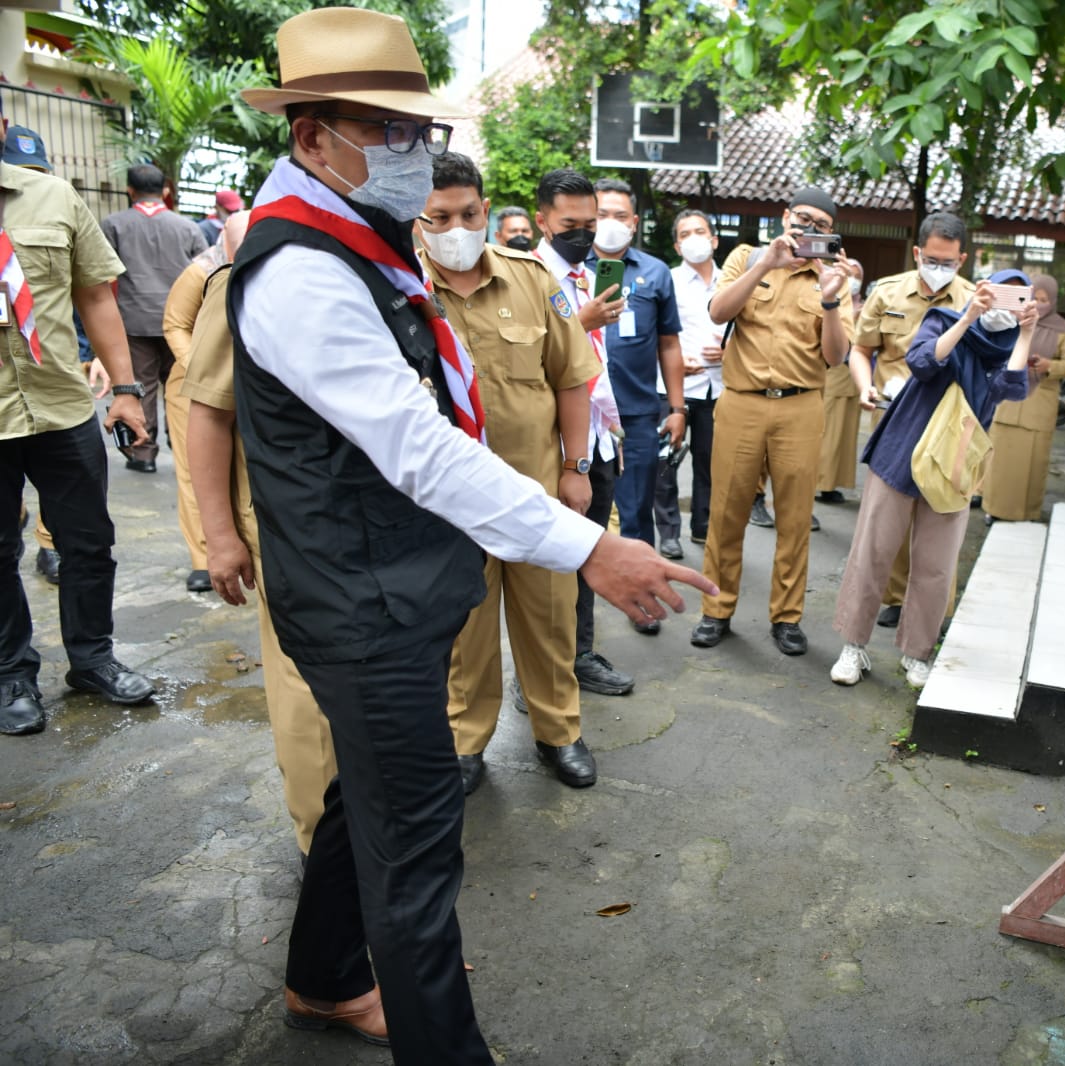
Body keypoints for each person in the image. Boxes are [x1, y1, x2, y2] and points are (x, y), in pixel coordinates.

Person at [227, 10, 713, 1060]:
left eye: (417, 130)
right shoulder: (305, 272)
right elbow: (419, 449)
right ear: (314, 138)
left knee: (371, 797)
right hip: (363, 603)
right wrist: (592, 545)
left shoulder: (360, 247)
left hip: (387, 584)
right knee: (414, 854)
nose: (410, 153)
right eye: (386, 132)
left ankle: (321, 979)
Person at [416, 152, 601, 795]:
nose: (456, 228)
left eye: (468, 213)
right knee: (465, 629)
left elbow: (573, 379)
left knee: (551, 614)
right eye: (439, 217)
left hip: (539, 488)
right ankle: (467, 743)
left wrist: (577, 468)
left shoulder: (532, 279)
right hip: (452, 502)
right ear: (418, 217)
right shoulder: (400, 289)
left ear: (487, 210)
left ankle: (560, 733)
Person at [183, 210, 339, 860]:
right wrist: (219, 535)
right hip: (288, 518)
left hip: (379, 518)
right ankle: (321, 847)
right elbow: (210, 412)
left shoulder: (396, 255)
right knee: (306, 686)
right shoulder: (251, 271)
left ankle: (376, 837)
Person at [1, 96, 157, 735]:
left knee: (88, 543)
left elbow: (97, 296)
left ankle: (92, 658)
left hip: (61, 405)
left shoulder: (54, 197)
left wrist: (124, 388)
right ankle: (12, 673)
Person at [831, 270, 1036, 689]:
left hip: (954, 465)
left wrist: (1028, 333)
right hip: (902, 451)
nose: (1003, 306)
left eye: (1015, 298)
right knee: (873, 552)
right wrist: (968, 318)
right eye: (998, 293)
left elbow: (1009, 391)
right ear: (983, 290)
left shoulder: (1008, 347)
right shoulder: (943, 320)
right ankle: (853, 645)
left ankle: (917, 652)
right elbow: (923, 363)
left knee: (936, 566)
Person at [691, 188, 852, 657]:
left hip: (800, 406)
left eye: (822, 226)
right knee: (727, 511)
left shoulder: (830, 276)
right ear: (785, 217)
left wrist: (830, 300)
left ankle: (787, 617)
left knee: (795, 517)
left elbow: (836, 357)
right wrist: (767, 264)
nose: (810, 229)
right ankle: (715, 609)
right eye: (803, 218)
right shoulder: (746, 257)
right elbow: (718, 311)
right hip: (742, 402)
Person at [531, 168, 636, 700]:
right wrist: (583, 325)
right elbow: (524, 363)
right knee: (548, 568)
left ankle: (579, 655)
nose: (583, 235)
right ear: (542, 221)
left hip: (594, 441)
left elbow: (596, 370)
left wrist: (607, 440)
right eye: (570, 224)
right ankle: (539, 674)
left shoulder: (586, 277)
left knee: (588, 551)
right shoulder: (528, 277)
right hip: (550, 447)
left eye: (589, 224)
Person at [849, 211, 975, 628]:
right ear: (918, 252)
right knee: (888, 524)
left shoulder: (974, 302)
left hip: (947, 430)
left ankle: (932, 611)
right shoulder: (887, 293)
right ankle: (895, 596)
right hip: (892, 420)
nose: (939, 269)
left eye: (949, 262)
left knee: (940, 522)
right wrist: (864, 384)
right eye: (932, 259)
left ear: (963, 260)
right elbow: (861, 349)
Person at [589, 177, 685, 623]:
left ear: (635, 222)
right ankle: (578, 607)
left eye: (619, 215)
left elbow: (669, 344)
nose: (611, 224)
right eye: (601, 214)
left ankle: (643, 602)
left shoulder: (655, 272)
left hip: (638, 413)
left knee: (636, 512)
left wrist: (678, 407)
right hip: (582, 412)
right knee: (580, 511)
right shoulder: (566, 268)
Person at [99, 162, 207, 472]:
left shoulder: (114, 224)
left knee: (142, 386)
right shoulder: (187, 227)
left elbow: (103, 274)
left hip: (135, 319)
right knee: (182, 385)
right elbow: (206, 272)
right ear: (165, 190)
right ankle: (186, 445)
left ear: (129, 190)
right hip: (182, 321)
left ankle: (144, 453)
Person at [163, 224, 246, 593]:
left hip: (240, 382)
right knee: (195, 471)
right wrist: (201, 367)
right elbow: (175, 323)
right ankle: (202, 556)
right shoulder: (203, 269)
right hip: (192, 383)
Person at [654, 208, 723, 559]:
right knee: (666, 460)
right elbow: (656, 335)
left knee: (710, 461)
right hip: (673, 387)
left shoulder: (732, 282)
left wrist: (727, 352)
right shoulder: (665, 280)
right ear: (678, 246)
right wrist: (677, 362)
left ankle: (704, 525)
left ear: (714, 239)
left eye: (700, 231)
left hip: (718, 386)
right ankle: (668, 533)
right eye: (685, 234)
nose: (694, 238)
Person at [983, 275, 1065, 523]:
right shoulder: (1014, 319)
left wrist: (1049, 365)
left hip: (1039, 404)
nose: (1038, 303)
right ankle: (992, 508)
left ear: (1054, 301)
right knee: (999, 460)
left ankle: (1026, 512)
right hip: (1007, 403)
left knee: (1031, 463)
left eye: (1044, 300)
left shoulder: (1062, 330)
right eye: (1034, 298)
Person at [815, 256, 866, 506]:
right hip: (834, 376)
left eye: (858, 276)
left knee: (845, 436)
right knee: (829, 434)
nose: (854, 281)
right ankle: (820, 482)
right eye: (850, 275)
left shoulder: (866, 305)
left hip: (854, 381)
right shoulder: (834, 301)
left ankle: (833, 484)